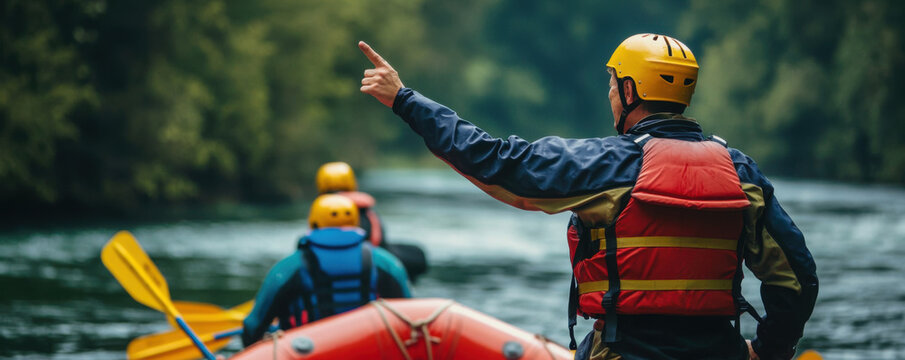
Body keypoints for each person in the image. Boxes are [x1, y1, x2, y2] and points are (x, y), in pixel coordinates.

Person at [357, 33, 818, 360]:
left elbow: (496, 163)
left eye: (614, 84)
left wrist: (406, 100)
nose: (611, 94)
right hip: (722, 350)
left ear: (630, 90)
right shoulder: (741, 173)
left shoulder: (607, 165)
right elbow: (797, 279)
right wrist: (768, 350)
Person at [242, 194, 412, 346]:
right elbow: (410, 317)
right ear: (355, 222)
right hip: (372, 349)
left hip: (308, 350)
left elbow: (253, 327)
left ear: (313, 223)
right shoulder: (386, 263)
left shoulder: (289, 267)